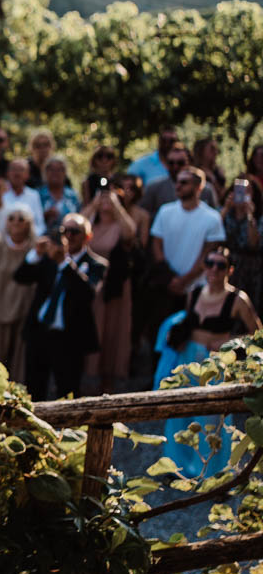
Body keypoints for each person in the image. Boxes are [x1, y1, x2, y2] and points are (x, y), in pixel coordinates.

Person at [154, 247, 261, 477]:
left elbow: (257, 334)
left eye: (220, 265)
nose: (214, 269)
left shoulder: (237, 299)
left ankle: (213, 473)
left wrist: (230, 342)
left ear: (229, 270)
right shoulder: (195, 292)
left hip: (216, 364)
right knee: (179, 412)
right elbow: (187, 322)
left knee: (213, 418)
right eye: (210, 263)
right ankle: (178, 468)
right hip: (188, 360)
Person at [15, 216, 107, 401]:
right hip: (40, 331)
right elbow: (21, 277)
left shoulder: (96, 264)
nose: (69, 236)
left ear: (87, 237)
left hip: (69, 338)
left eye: (75, 232)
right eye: (64, 231)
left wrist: (64, 264)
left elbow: (87, 294)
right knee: (33, 389)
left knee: (67, 390)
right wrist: (36, 254)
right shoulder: (49, 257)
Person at [83, 184, 141, 393]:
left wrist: (116, 204)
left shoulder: (120, 225)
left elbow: (130, 232)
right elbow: (75, 224)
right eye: (102, 197)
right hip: (91, 285)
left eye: (110, 198)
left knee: (113, 330)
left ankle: (110, 379)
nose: (105, 200)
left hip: (115, 286)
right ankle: (89, 377)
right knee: (93, 327)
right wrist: (94, 204)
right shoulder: (90, 222)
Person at [151, 166, 227, 314]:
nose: (178, 186)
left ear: (199, 187)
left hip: (197, 288)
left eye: (184, 182)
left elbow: (208, 253)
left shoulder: (212, 218)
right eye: (177, 181)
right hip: (166, 286)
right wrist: (170, 278)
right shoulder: (165, 211)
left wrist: (185, 280)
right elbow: (157, 245)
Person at [0, 207, 37, 382]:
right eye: (11, 218)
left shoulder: (36, 250)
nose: (16, 222)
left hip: (25, 314)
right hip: (0, 313)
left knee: (20, 367)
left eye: (21, 218)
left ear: (29, 224)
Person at [140, 145, 220, 214]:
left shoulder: (205, 190)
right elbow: (144, 215)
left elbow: (214, 214)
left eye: (180, 163)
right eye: (171, 163)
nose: (175, 167)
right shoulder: (154, 188)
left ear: (189, 163)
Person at [222, 184, 262, 312]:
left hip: (250, 268)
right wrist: (225, 208)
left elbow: (253, 243)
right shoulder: (226, 213)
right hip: (226, 264)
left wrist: (250, 214)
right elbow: (214, 231)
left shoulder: (258, 217)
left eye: (247, 191)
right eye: (238, 190)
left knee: (250, 305)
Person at [3, 158, 47, 235]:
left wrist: (31, 237)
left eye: (21, 169)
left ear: (28, 175)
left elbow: (40, 224)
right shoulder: (0, 194)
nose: (17, 173)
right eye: (14, 169)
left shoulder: (34, 195)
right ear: (7, 173)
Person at [38, 156, 80, 230]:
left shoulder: (72, 195)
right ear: (45, 172)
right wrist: (45, 215)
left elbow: (79, 218)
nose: (55, 173)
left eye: (59, 170)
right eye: (51, 169)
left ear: (65, 173)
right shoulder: (37, 195)